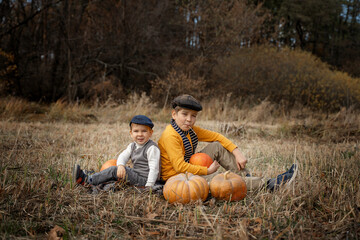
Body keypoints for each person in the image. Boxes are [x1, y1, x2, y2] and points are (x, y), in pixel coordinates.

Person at [158, 94, 297, 191]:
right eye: (184, 114)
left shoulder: (190, 130)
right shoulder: (171, 135)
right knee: (220, 184)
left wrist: (237, 152)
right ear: (174, 114)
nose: (189, 119)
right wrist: (207, 171)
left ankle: (247, 178)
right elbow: (179, 167)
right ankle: (270, 184)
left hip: (188, 167)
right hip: (177, 179)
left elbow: (217, 137)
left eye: (193, 116)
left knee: (217, 146)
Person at [73, 115, 161, 189]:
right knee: (118, 169)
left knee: (113, 170)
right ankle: (95, 176)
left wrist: (149, 186)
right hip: (136, 174)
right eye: (136, 131)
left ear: (150, 133)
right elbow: (123, 156)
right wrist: (121, 165)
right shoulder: (132, 146)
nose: (140, 134)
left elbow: (154, 169)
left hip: (145, 180)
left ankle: (87, 180)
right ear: (131, 133)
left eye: (144, 131)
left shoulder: (152, 148)